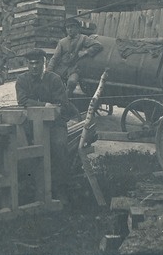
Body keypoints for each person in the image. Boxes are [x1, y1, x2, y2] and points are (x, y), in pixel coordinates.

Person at [15, 48, 78, 202]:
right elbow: (22, 101)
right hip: (31, 124)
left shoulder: (54, 79)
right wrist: (44, 104)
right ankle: (29, 186)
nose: (34, 66)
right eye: (31, 63)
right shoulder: (22, 80)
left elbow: (61, 103)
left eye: (37, 63)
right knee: (21, 145)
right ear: (27, 64)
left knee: (59, 145)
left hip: (55, 124)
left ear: (44, 63)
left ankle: (61, 188)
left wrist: (51, 107)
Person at [47, 17, 103, 97]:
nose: (70, 30)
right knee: (53, 81)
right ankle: (55, 99)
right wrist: (49, 70)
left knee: (72, 82)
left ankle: (65, 100)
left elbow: (98, 45)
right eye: (68, 28)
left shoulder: (83, 38)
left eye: (72, 27)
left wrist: (85, 52)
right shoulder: (62, 42)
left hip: (74, 69)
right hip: (62, 68)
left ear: (77, 28)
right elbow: (55, 57)